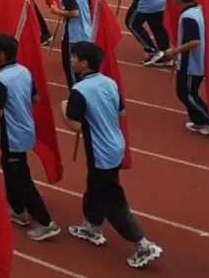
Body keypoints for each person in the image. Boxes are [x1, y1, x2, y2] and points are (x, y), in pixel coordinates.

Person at [61, 41, 162, 269]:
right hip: (116, 145)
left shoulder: (79, 91)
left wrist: (62, 110)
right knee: (95, 187)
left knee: (112, 201)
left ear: (84, 63)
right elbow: (121, 111)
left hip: (100, 152)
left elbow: (76, 126)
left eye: (74, 57)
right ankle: (92, 225)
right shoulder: (110, 82)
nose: (71, 61)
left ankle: (143, 244)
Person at [0, 34, 60, 242]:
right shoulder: (24, 71)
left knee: (21, 177)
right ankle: (17, 209)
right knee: (10, 168)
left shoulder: (0, 80)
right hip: (26, 129)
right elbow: (36, 98)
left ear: (2, 54)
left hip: (12, 134)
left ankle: (45, 222)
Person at [159, 0, 209, 141]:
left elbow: (194, 41)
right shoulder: (197, 9)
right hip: (191, 62)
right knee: (188, 93)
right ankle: (200, 122)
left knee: (186, 94)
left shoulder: (188, 16)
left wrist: (174, 51)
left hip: (191, 64)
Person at [50, 0, 95, 87]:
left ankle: (76, 94)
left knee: (71, 70)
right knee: (86, 69)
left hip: (73, 37)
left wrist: (57, 11)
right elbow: (90, 6)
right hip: (86, 32)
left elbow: (74, 13)